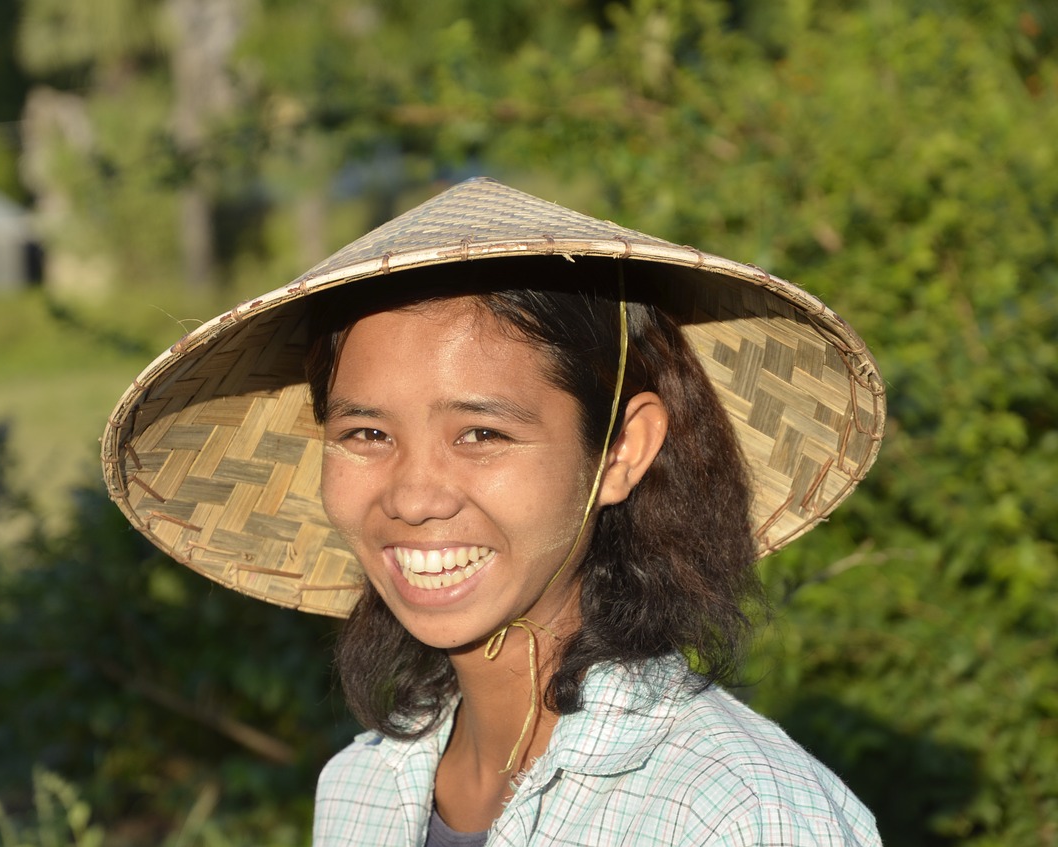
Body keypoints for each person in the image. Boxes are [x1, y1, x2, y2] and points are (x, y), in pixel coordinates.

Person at [102, 177, 886, 845]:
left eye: (481, 433)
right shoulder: (360, 793)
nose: (413, 496)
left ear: (621, 451)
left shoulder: (737, 815)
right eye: (366, 432)